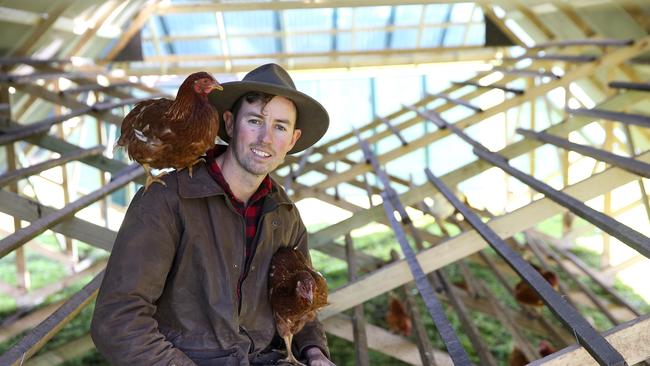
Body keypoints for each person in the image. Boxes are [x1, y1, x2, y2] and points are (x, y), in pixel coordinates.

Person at [91, 63, 335, 366]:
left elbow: (299, 306)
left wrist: (315, 353)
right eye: (255, 121)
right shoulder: (167, 200)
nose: (265, 138)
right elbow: (118, 320)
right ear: (230, 124)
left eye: (280, 127)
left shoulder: (285, 215)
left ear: (293, 140)